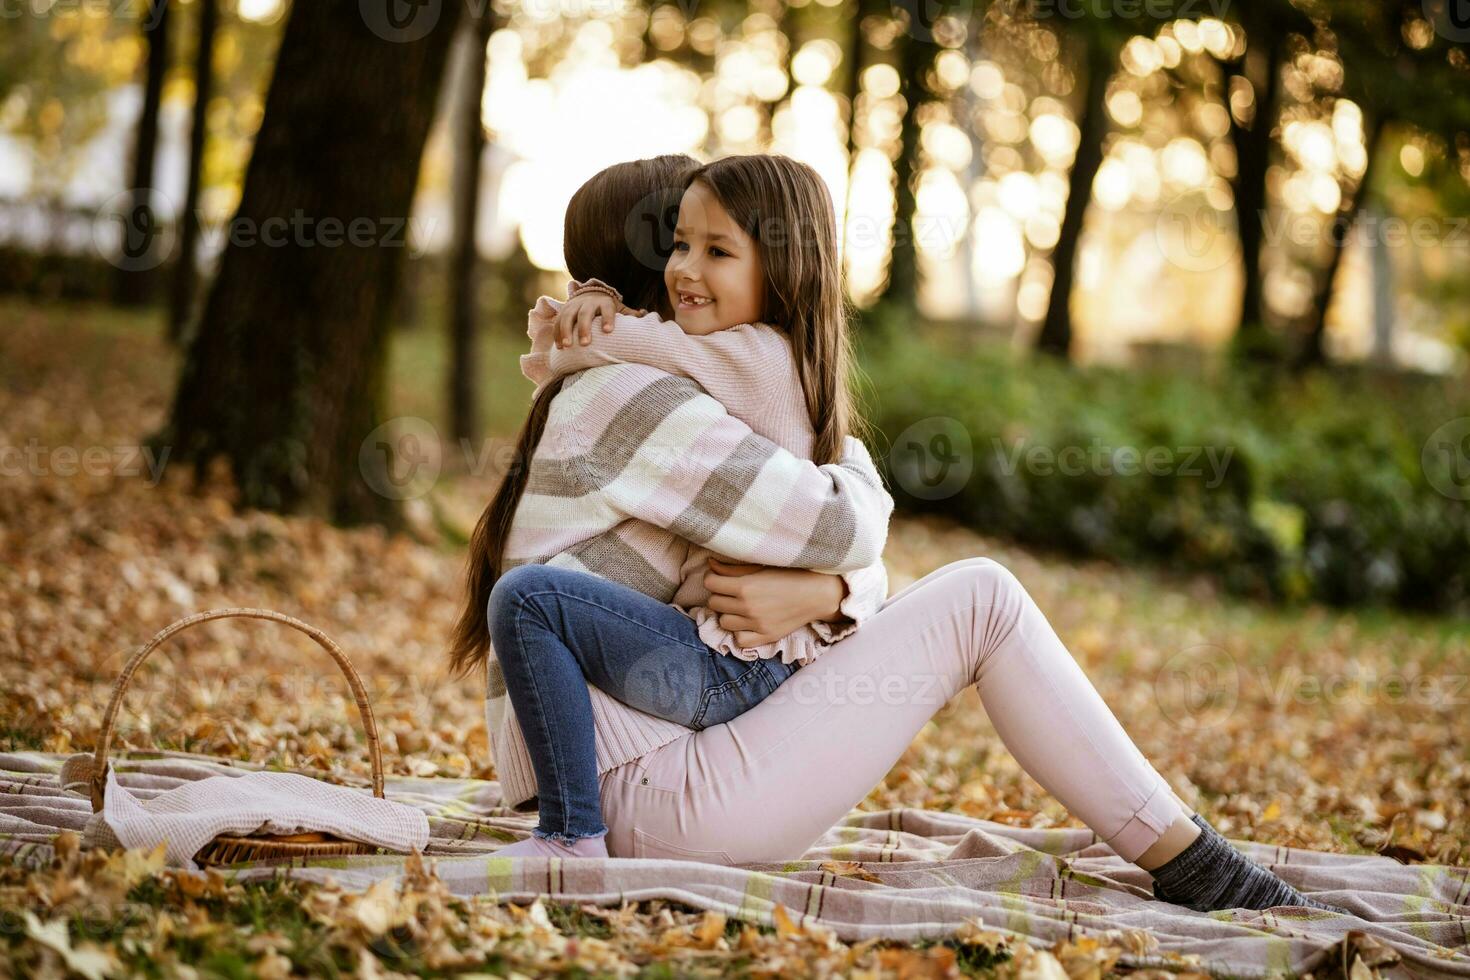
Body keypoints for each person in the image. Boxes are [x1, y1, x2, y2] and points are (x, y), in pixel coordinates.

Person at [448, 154, 1348, 915]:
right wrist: (844, 574)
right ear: (651, 278)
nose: (693, 263)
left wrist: (836, 590)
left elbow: (838, 522)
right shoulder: (636, 398)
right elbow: (843, 517)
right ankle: (1195, 862)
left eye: (716, 243)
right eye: (682, 242)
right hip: (654, 795)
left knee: (978, 596)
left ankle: (1191, 853)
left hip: (670, 772)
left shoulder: (668, 387)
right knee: (985, 599)